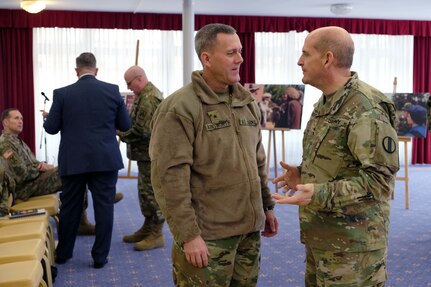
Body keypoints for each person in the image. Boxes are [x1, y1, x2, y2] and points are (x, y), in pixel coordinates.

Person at [149, 23, 278, 286]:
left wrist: (267, 207)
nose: (240, 59)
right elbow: (169, 179)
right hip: (208, 237)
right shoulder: (180, 108)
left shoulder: (246, 102)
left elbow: (258, 161)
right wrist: (188, 235)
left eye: (240, 51)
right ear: (206, 58)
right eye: (231, 53)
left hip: (248, 232)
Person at [272, 26, 400, 287]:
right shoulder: (327, 102)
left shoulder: (366, 107)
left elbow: (380, 183)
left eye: (305, 54)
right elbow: (338, 162)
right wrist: (303, 174)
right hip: (323, 236)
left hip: (354, 247)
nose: (299, 61)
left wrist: (318, 193)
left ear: (327, 59)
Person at [43, 52, 131, 268]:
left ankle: (63, 253)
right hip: (105, 159)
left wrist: (49, 118)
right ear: (96, 70)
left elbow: (52, 128)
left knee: (71, 206)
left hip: (73, 161)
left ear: (76, 70)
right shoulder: (112, 91)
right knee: (104, 207)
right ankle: (100, 257)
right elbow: (126, 125)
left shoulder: (62, 94)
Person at [0, 108, 123, 236]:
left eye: (21, 119)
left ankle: (82, 219)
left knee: (77, 168)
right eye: (16, 118)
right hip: (26, 188)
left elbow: (30, 164)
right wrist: (39, 168)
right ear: (5, 123)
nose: (21, 121)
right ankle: (99, 200)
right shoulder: (6, 144)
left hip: (35, 181)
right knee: (75, 170)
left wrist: (41, 166)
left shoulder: (16, 140)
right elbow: (22, 175)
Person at [118, 65, 165, 251]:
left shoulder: (149, 98)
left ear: (139, 79)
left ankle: (157, 234)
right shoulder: (143, 96)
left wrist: (120, 134)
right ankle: (148, 227)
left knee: (152, 194)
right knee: (144, 194)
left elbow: (142, 130)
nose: (129, 88)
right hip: (145, 155)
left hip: (150, 154)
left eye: (129, 83)